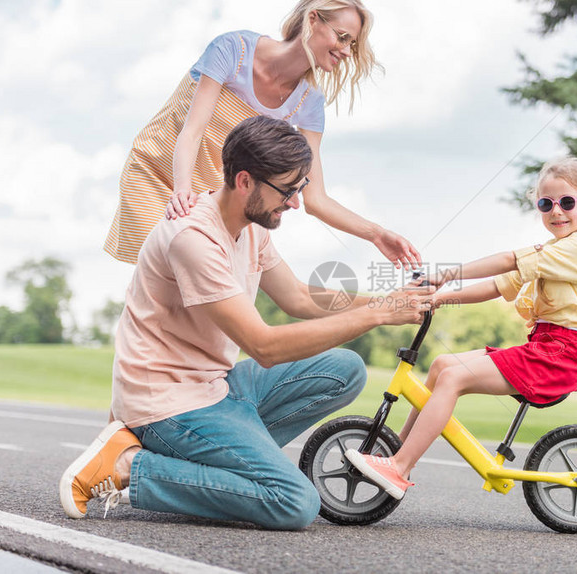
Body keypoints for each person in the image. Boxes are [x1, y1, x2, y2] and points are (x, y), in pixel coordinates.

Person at [60, 116, 434, 529]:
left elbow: (298, 297)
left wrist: (389, 302)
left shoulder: (251, 225)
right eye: (288, 190)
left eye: (300, 188)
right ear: (244, 181)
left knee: (345, 370)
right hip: (167, 403)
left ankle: (219, 466)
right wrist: (378, 314)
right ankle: (131, 465)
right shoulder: (194, 240)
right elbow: (265, 346)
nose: (294, 203)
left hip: (216, 387)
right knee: (294, 503)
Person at [344, 157, 577, 499]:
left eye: (567, 202)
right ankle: (396, 455)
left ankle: (400, 466)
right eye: (546, 203)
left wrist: (445, 274)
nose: (556, 211)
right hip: (545, 348)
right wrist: (441, 298)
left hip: (559, 356)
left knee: (453, 378)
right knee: (441, 365)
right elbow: (498, 286)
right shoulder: (554, 252)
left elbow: (507, 260)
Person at [104, 0, 421, 269]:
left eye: (352, 44)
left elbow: (315, 199)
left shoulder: (309, 103)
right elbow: (192, 130)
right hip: (156, 173)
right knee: (167, 275)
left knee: (197, 292)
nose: (347, 51)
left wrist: (376, 234)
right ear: (313, 20)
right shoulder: (233, 50)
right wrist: (182, 191)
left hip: (211, 198)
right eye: (342, 37)